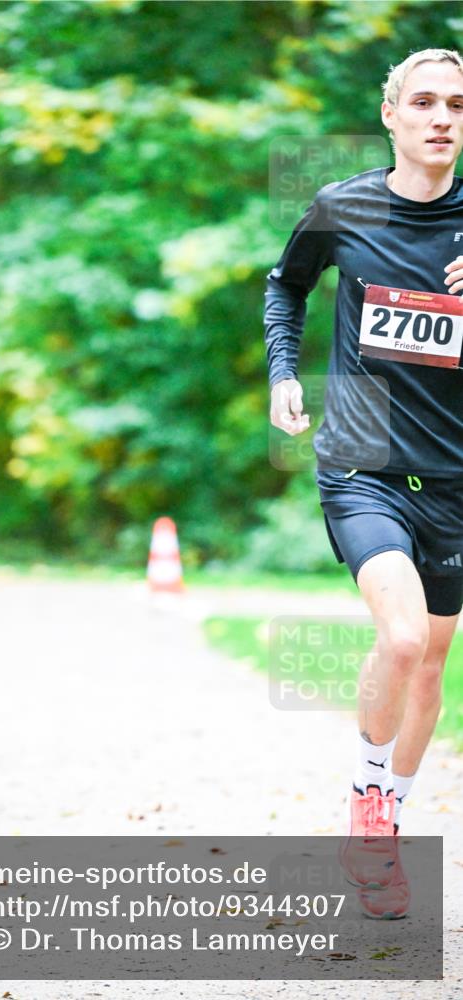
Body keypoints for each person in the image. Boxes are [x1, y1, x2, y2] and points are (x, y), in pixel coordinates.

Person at [264, 48, 463, 919]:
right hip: (362, 463)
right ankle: (366, 798)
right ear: (390, 115)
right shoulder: (342, 206)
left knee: (431, 667)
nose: (440, 118)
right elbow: (285, 286)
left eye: (456, 104)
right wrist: (281, 372)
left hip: (455, 476)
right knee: (406, 637)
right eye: (422, 101)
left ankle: (385, 825)